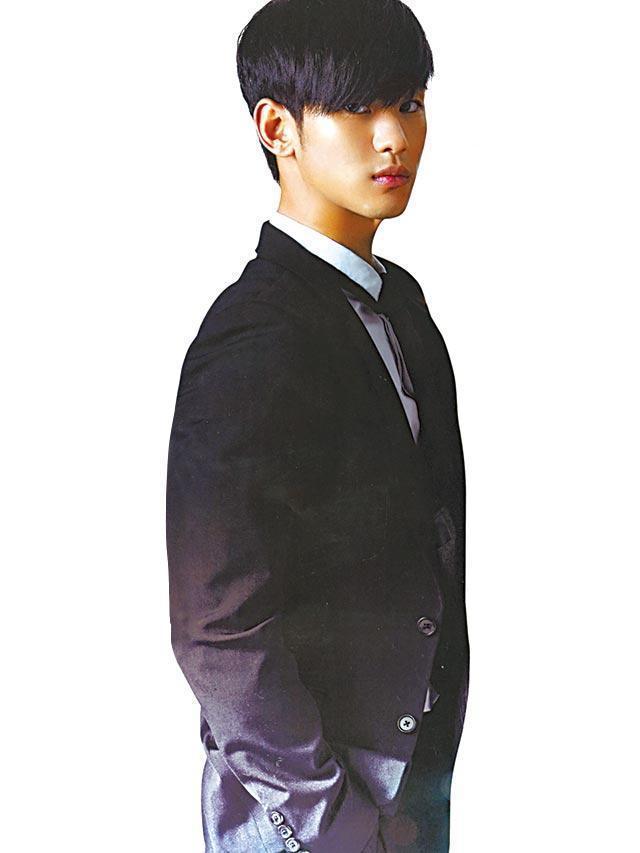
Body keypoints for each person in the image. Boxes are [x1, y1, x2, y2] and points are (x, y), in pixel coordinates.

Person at [166, 1, 469, 850]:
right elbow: (216, 628)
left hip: (411, 788)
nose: (394, 137)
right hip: (303, 813)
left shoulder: (401, 305)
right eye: (357, 107)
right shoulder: (253, 332)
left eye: (408, 102)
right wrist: (330, 819)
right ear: (278, 128)